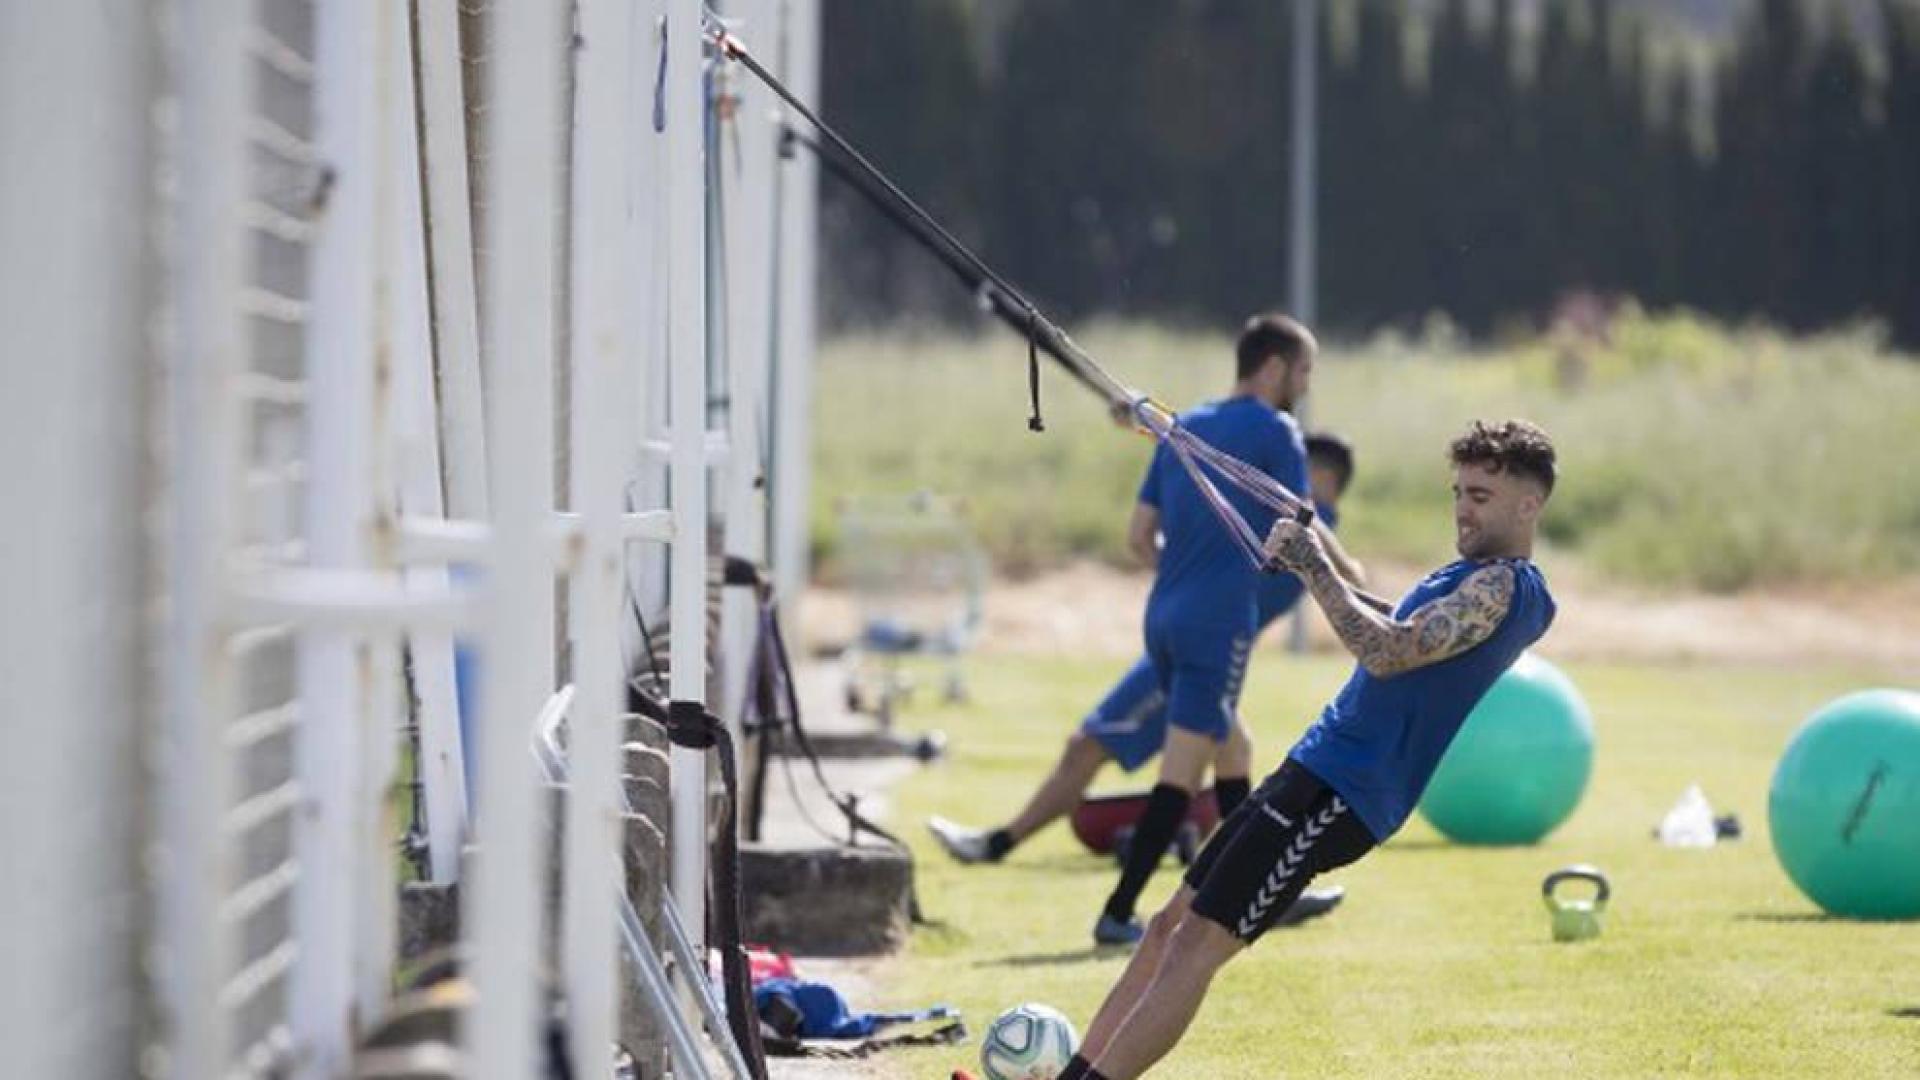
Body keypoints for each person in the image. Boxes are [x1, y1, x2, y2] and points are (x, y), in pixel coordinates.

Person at [1056, 419, 1560, 1080]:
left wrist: (1311, 565)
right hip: (1311, 769)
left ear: (1530, 504)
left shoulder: (1506, 587)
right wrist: (1314, 561)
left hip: (1343, 795)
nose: (1464, 508)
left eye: (1482, 497)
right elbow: (1398, 621)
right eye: (1459, 491)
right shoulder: (1469, 576)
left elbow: (1387, 650)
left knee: (1195, 948)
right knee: (1166, 928)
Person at [926, 433, 1361, 927]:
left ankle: (1039, 868)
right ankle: (1261, 887)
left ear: (1320, 478)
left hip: (1196, 647)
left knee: (1104, 749)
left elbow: (1235, 536)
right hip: (1198, 645)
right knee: (1230, 749)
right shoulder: (1295, 527)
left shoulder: (1302, 528)